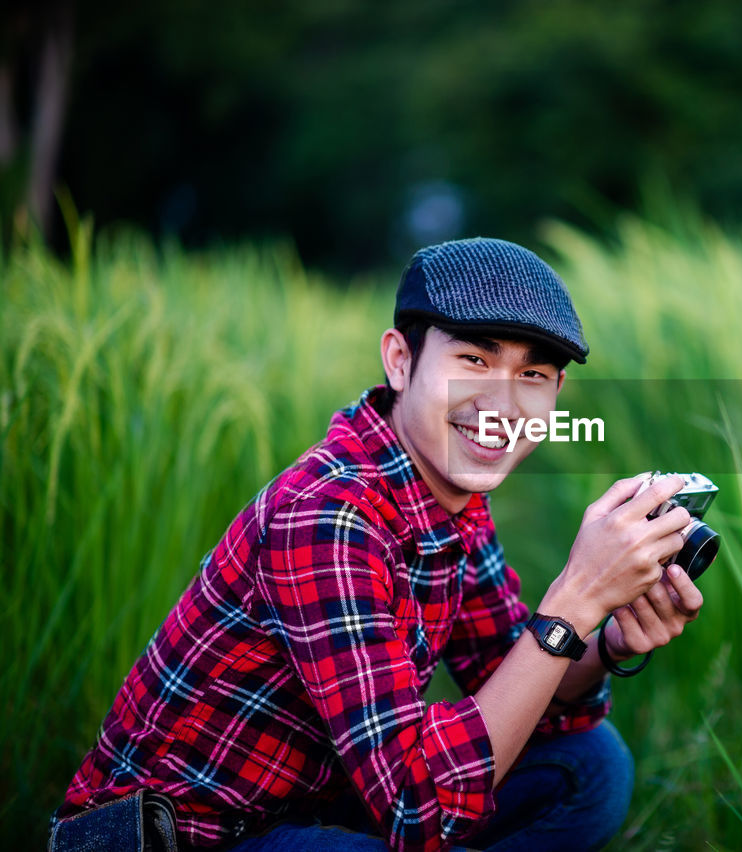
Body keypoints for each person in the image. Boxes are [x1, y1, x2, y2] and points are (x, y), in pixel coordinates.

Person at [50, 238, 703, 851]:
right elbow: (419, 808)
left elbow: (517, 685)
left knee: (591, 768)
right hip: (192, 832)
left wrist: (606, 640)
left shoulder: (452, 496)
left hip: (320, 801)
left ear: (556, 393)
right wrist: (574, 600)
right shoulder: (329, 516)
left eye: (533, 375)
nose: (503, 402)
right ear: (399, 360)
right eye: (474, 359)